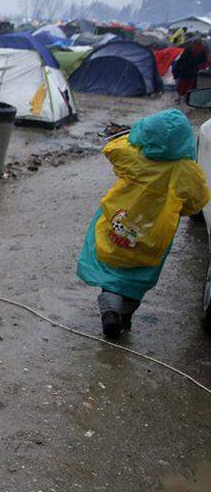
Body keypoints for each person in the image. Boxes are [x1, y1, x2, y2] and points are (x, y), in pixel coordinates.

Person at [77, 109, 208, 338]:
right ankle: (126, 312)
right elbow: (197, 202)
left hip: (120, 220)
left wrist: (137, 138)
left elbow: (112, 148)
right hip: (152, 232)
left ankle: (110, 305)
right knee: (140, 271)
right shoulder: (184, 170)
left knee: (114, 258)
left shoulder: (135, 156)